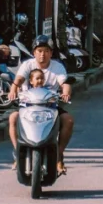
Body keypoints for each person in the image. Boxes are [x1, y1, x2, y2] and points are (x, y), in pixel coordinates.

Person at [9, 37, 73, 172]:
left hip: (50, 107)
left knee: (68, 120)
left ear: (51, 53)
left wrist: (66, 93)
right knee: (13, 118)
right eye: (39, 51)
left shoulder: (58, 67)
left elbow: (64, 83)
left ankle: (58, 155)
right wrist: (13, 89)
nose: (42, 54)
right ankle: (18, 154)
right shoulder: (27, 65)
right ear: (34, 52)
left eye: (46, 51)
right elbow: (19, 79)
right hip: (27, 106)